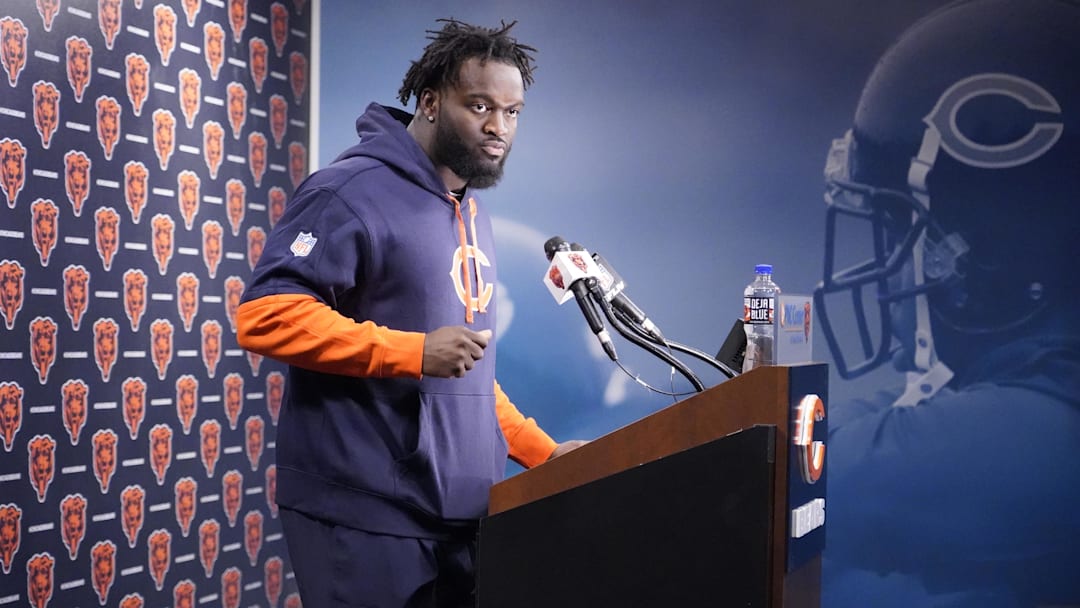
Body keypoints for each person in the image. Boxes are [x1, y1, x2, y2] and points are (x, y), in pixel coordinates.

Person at [236, 19, 584, 607]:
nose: (498, 127)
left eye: (513, 112)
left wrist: (540, 453)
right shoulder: (348, 190)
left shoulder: (470, 215)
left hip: (459, 517)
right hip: (365, 511)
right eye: (480, 106)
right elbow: (266, 314)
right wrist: (414, 351)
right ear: (429, 102)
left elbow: (467, 371)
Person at [813, 1, 1080, 606]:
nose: (889, 267)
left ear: (996, 245)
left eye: (903, 228)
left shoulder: (1041, 439)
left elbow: (790, 477)